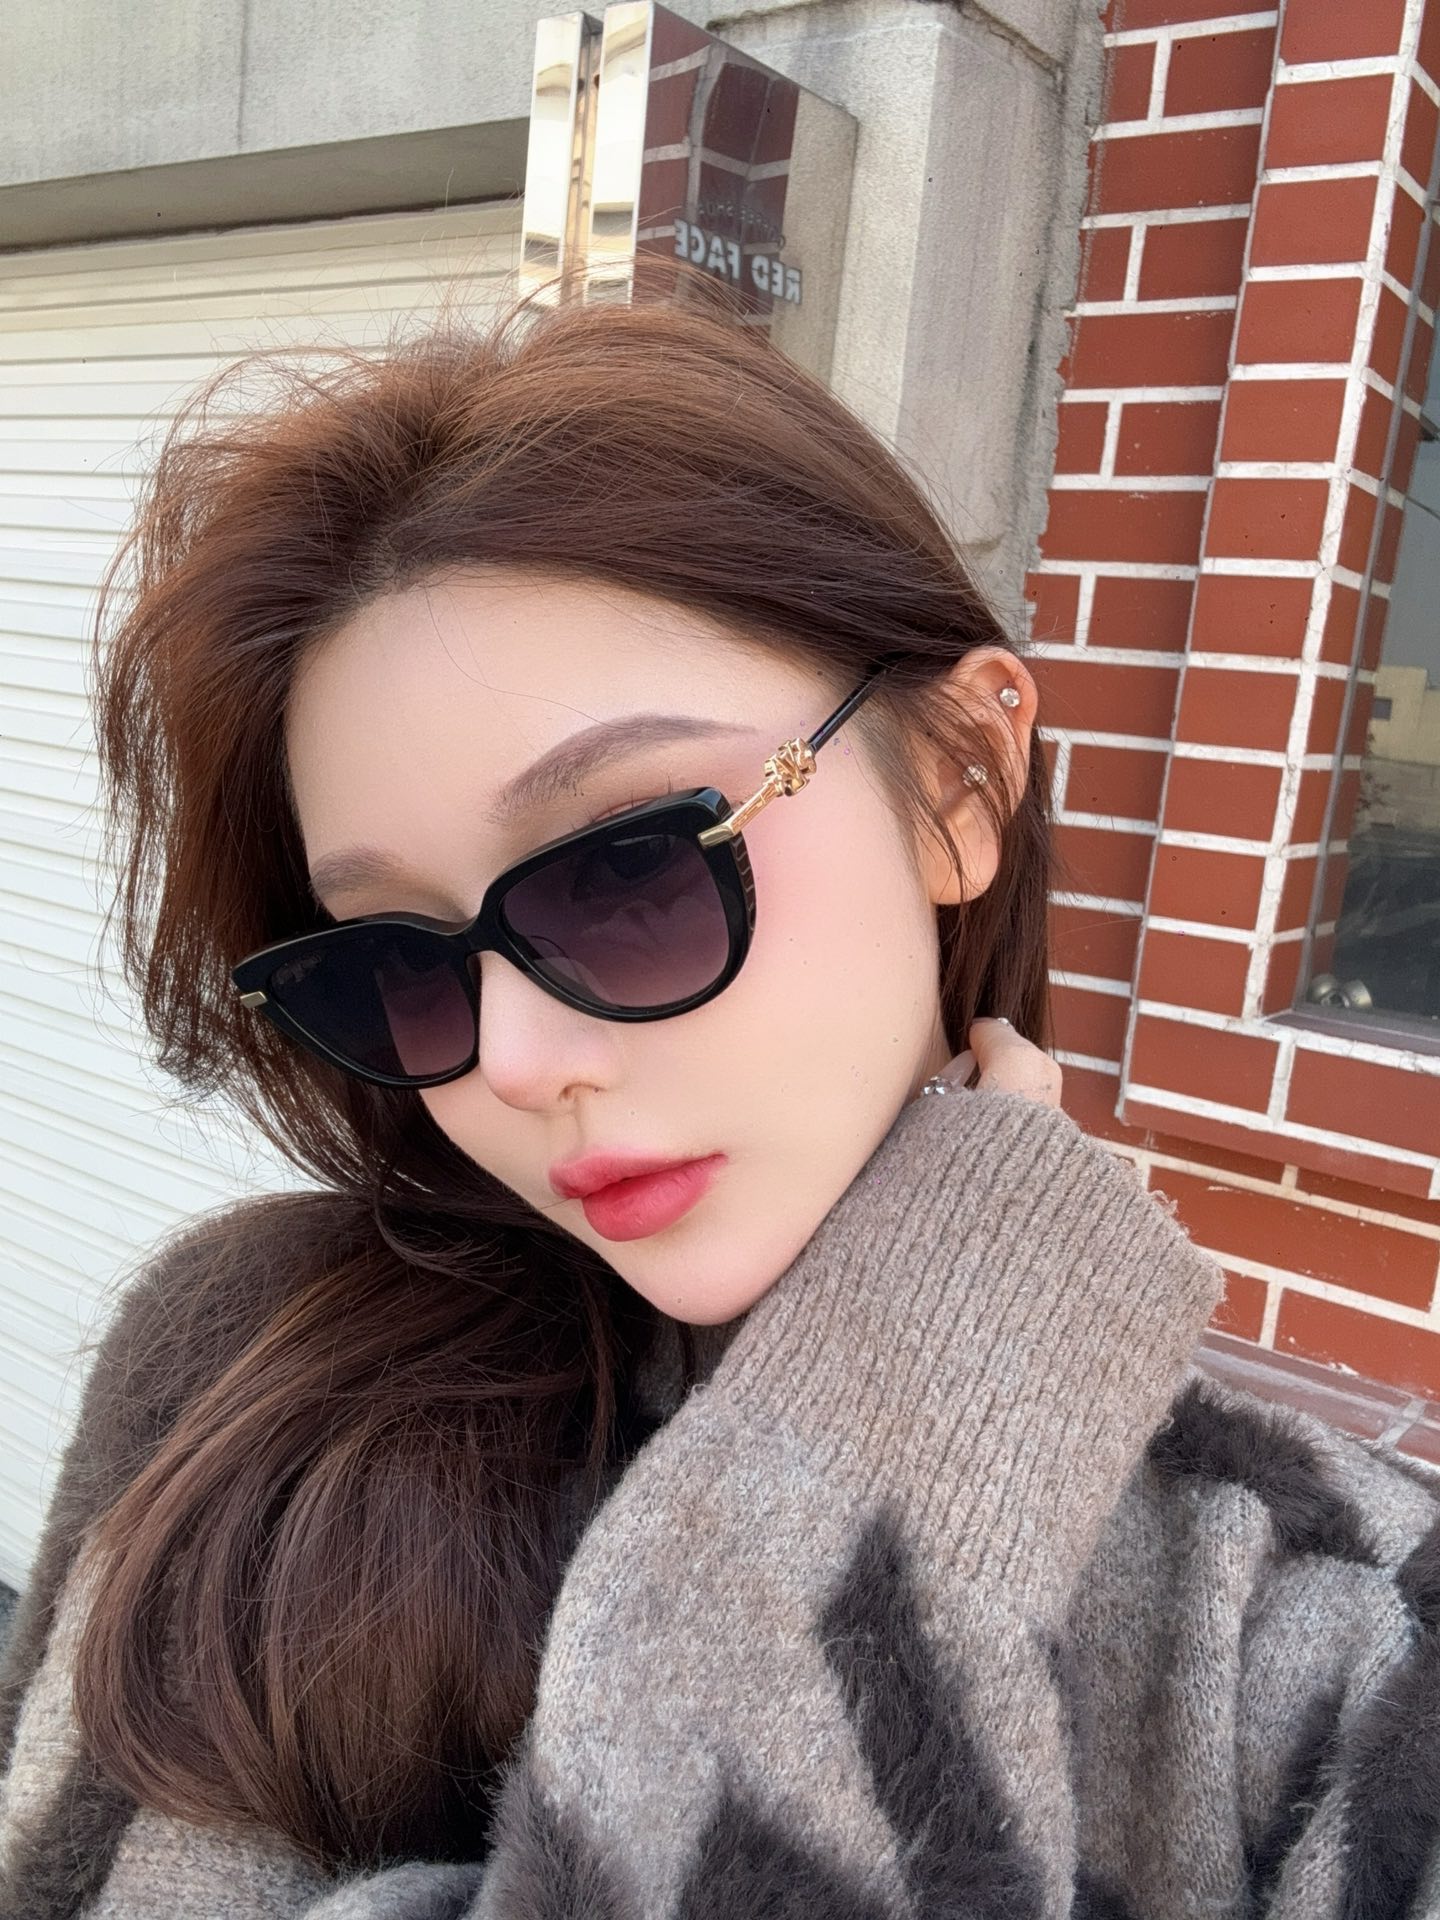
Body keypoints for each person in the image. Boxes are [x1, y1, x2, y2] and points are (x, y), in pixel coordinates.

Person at [0, 282, 1437, 1920]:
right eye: (396, 962)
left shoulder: (1335, 1636)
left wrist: (938, 1359)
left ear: (959, 784)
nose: (513, 1061)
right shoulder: (240, 1366)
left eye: (625, 871)